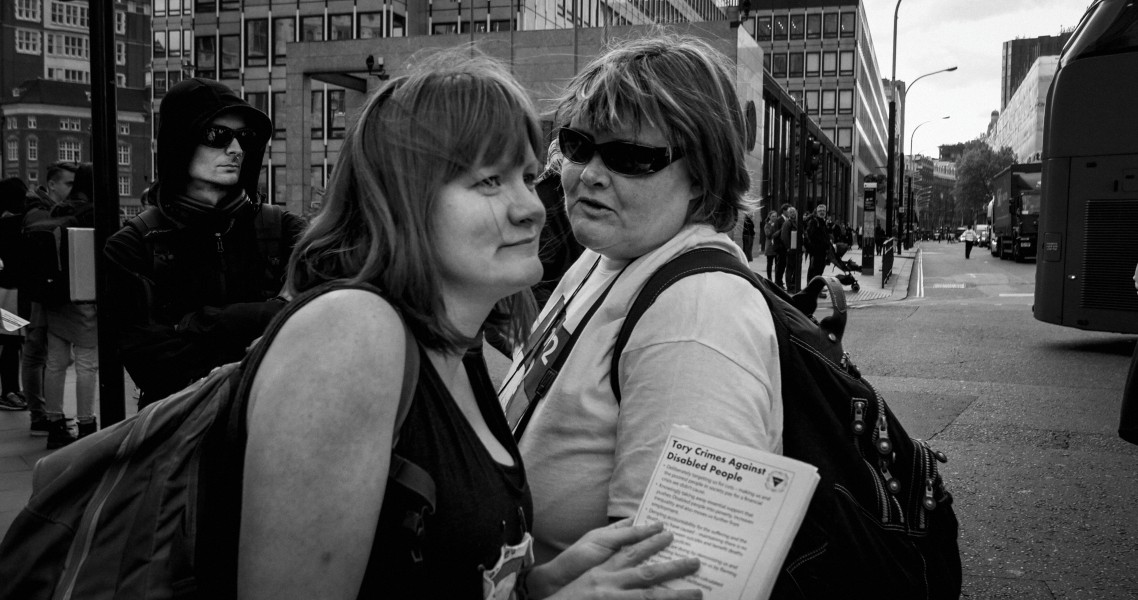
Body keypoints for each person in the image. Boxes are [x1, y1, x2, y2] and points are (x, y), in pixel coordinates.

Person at [237, 50, 699, 600]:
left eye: (528, 177)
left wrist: (536, 586)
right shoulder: (350, 336)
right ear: (403, 197)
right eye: (488, 181)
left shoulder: (462, 349)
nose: (530, 208)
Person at [498, 33, 782, 567]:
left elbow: (674, 567)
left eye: (630, 157)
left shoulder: (697, 316)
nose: (589, 174)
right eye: (578, 145)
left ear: (701, 178)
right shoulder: (612, 251)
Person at [104, 78, 306, 407]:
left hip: (274, 418)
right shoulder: (136, 244)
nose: (236, 149)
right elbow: (153, 366)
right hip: (180, 432)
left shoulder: (284, 229)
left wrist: (198, 323)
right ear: (180, 142)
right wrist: (268, 316)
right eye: (218, 135)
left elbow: (315, 327)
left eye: (245, 137)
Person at [41, 163, 99, 449]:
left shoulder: (59, 209)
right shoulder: (93, 212)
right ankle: (87, 424)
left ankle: (54, 424)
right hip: (84, 295)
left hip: (55, 297)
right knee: (87, 364)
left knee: (55, 363)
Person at [21, 161, 77, 433]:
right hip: (38, 290)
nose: (72, 190)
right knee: (36, 349)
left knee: (41, 350)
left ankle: (44, 410)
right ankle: (38, 413)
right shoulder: (38, 211)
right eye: (67, 184)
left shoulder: (42, 208)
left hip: (41, 287)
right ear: (52, 184)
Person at [0, 177, 29, 412]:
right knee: (11, 342)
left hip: (6, 289)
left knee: (11, 343)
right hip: (10, 291)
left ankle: (11, 388)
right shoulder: (13, 223)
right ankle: (8, 390)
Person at [804, 202, 831, 282]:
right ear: (817, 212)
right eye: (820, 211)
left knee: (819, 270)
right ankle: (812, 289)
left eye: (823, 211)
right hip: (816, 251)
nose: (822, 212)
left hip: (821, 251)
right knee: (814, 270)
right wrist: (817, 246)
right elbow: (811, 236)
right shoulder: (814, 222)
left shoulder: (822, 222)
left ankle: (815, 288)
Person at [760, 207, 784, 282]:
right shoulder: (767, 225)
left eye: (776, 216)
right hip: (770, 247)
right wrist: (773, 226)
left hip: (777, 247)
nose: (774, 218)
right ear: (769, 217)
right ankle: (769, 279)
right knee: (770, 264)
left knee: (777, 264)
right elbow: (768, 235)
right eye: (773, 216)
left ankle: (777, 279)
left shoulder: (778, 224)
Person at [777, 203, 797, 289]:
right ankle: (789, 285)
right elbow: (784, 236)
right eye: (791, 212)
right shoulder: (787, 223)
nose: (793, 213)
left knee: (795, 267)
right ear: (788, 214)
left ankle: (793, 283)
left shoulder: (796, 223)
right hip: (790, 249)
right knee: (790, 267)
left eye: (794, 212)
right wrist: (788, 247)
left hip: (796, 249)